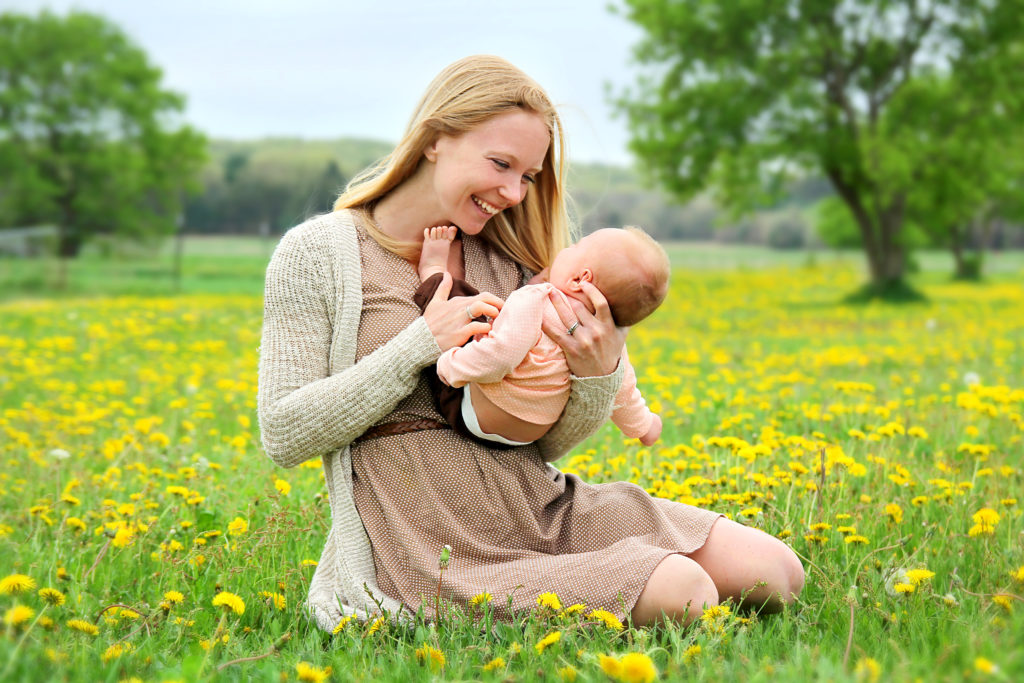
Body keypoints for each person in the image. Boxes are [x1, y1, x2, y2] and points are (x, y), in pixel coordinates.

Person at [257, 55, 804, 632]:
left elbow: (539, 438)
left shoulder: (508, 259)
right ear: (436, 139)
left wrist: (596, 376)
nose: (514, 192)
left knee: (775, 571)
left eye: (528, 176)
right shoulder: (318, 253)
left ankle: (596, 568)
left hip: (535, 503)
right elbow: (283, 432)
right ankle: (605, 580)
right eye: (501, 163)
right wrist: (419, 343)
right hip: (434, 547)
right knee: (687, 592)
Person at [413, 224, 665, 448]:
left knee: (468, 307)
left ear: (580, 278)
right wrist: (645, 426)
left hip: (474, 413)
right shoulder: (606, 339)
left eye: (575, 246)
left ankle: (433, 269)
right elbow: (625, 391)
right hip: (527, 436)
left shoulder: (535, 299)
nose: (564, 249)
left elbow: (502, 355)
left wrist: (449, 364)